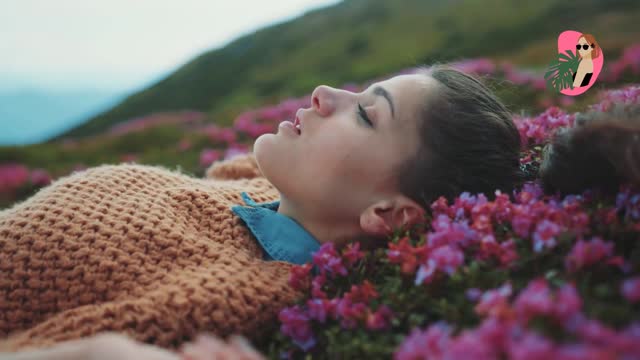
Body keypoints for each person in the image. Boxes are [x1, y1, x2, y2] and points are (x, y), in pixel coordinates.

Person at [0, 64, 530, 357]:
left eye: (367, 115)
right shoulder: (254, 184)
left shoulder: (230, 293)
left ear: (389, 214)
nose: (324, 92)